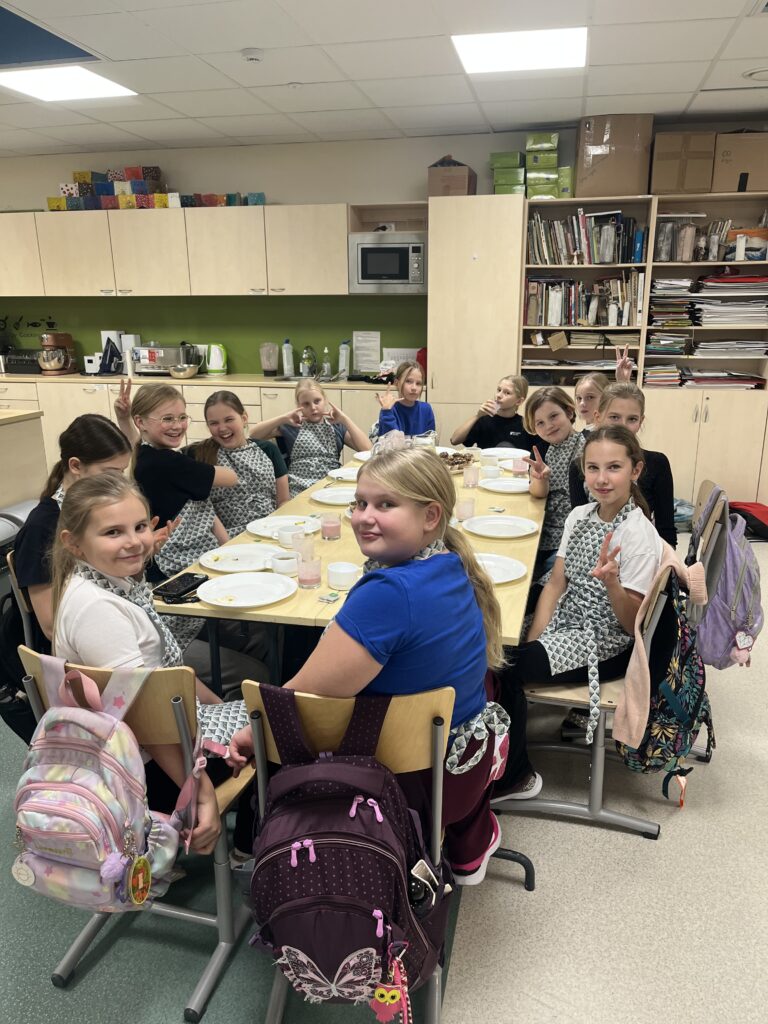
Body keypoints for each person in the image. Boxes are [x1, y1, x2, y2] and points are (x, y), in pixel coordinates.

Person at [226, 447, 511, 886]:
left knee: (247, 725)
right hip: (459, 772)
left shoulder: (388, 593)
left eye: (385, 504)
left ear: (431, 516)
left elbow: (294, 702)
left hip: (400, 789)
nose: (363, 517)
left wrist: (247, 734)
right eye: (359, 503)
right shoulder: (451, 564)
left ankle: (249, 846)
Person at [51, 473, 250, 855]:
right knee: (276, 724)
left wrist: (219, 707)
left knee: (251, 708)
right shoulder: (99, 610)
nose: (134, 541)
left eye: (140, 527)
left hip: (151, 741)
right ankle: (248, 844)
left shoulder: (104, 583)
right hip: (146, 770)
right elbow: (146, 718)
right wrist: (201, 793)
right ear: (73, 543)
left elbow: (166, 678)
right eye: (113, 532)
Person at [497, 426, 665, 797]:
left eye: (614, 467)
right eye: (593, 468)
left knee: (501, 666)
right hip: (568, 619)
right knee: (495, 639)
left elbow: (630, 625)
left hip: (605, 642)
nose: (602, 479)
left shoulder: (637, 535)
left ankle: (516, 776)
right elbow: (556, 585)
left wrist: (613, 584)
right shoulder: (580, 515)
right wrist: (536, 641)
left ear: (636, 470)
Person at [13, 414, 134, 647]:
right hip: (75, 648)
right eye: (110, 473)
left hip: (114, 619)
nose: (119, 483)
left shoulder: (99, 509)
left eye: (122, 472)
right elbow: (51, 626)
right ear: (76, 466)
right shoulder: (42, 528)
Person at [131, 383, 238, 580]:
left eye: (182, 417)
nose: (177, 426)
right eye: (167, 419)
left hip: (175, 558)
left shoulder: (144, 455)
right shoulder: (169, 462)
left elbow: (203, 508)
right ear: (140, 422)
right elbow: (231, 477)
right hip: (175, 564)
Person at [569, 383, 677, 547]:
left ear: (640, 422)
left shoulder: (657, 463)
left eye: (632, 419)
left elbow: (666, 533)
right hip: (591, 552)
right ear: (598, 417)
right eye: (614, 417)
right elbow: (579, 527)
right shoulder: (579, 466)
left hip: (640, 553)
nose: (622, 426)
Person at [189, 390, 289, 537]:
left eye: (229, 419)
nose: (222, 428)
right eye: (214, 423)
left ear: (244, 418)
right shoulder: (198, 456)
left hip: (270, 529)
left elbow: (284, 500)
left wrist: (280, 529)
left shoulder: (268, 450)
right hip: (227, 537)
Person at [250, 381, 371, 497]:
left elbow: (368, 450)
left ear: (325, 400)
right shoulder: (291, 426)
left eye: (317, 401)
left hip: (331, 484)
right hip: (298, 486)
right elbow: (253, 435)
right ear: (298, 406)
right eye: (306, 404)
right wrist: (283, 418)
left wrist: (345, 419)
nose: (313, 407)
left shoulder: (337, 426)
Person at [523, 387, 586, 580]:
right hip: (543, 528)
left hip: (571, 534)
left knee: (542, 580)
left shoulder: (587, 447)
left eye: (553, 416)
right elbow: (539, 493)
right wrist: (540, 479)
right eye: (540, 423)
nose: (548, 426)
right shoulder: (541, 450)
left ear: (569, 412)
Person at [449, 374, 535, 450]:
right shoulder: (484, 420)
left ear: (519, 401)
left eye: (507, 393)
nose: (498, 395)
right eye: (499, 390)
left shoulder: (526, 425)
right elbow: (454, 440)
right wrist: (477, 416)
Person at [375, 360, 435, 439]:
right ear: (397, 383)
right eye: (408, 381)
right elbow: (390, 443)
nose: (414, 388)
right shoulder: (389, 409)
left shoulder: (426, 409)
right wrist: (386, 411)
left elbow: (430, 441)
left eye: (418, 383)